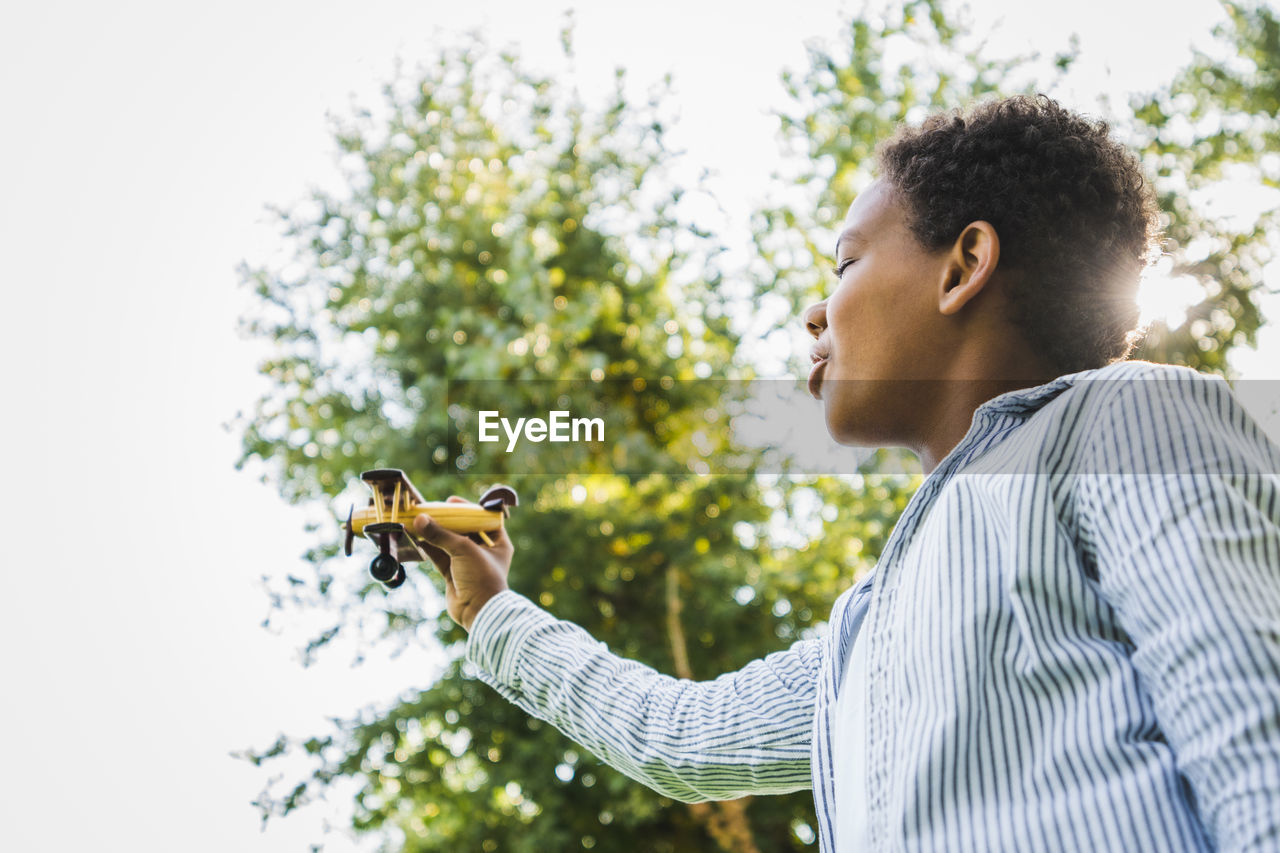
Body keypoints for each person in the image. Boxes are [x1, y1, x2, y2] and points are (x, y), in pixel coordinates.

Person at [412, 95, 1280, 851]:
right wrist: (492, 611)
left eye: (846, 262)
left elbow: (1248, 716)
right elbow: (685, 738)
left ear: (964, 266)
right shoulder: (867, 628)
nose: (814, 308)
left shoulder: (1126, 418)